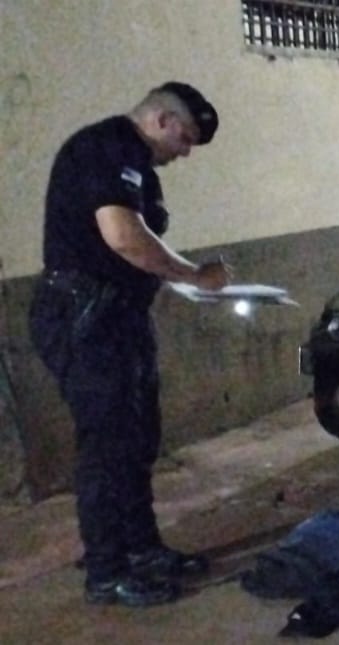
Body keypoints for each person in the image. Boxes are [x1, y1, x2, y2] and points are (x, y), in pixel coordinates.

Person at [28, 82, 233, 607]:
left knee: (138, 437)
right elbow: (122, 236)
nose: (185, 153)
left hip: (118, 317)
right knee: (106, 445)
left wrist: (177, 279)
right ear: (163, 119)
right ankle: (106, 570)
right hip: (83, 316)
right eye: (185, 138)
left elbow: (139, 243)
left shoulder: (138, 166)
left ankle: (142, 549)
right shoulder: (106, 147)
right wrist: (193, 274)